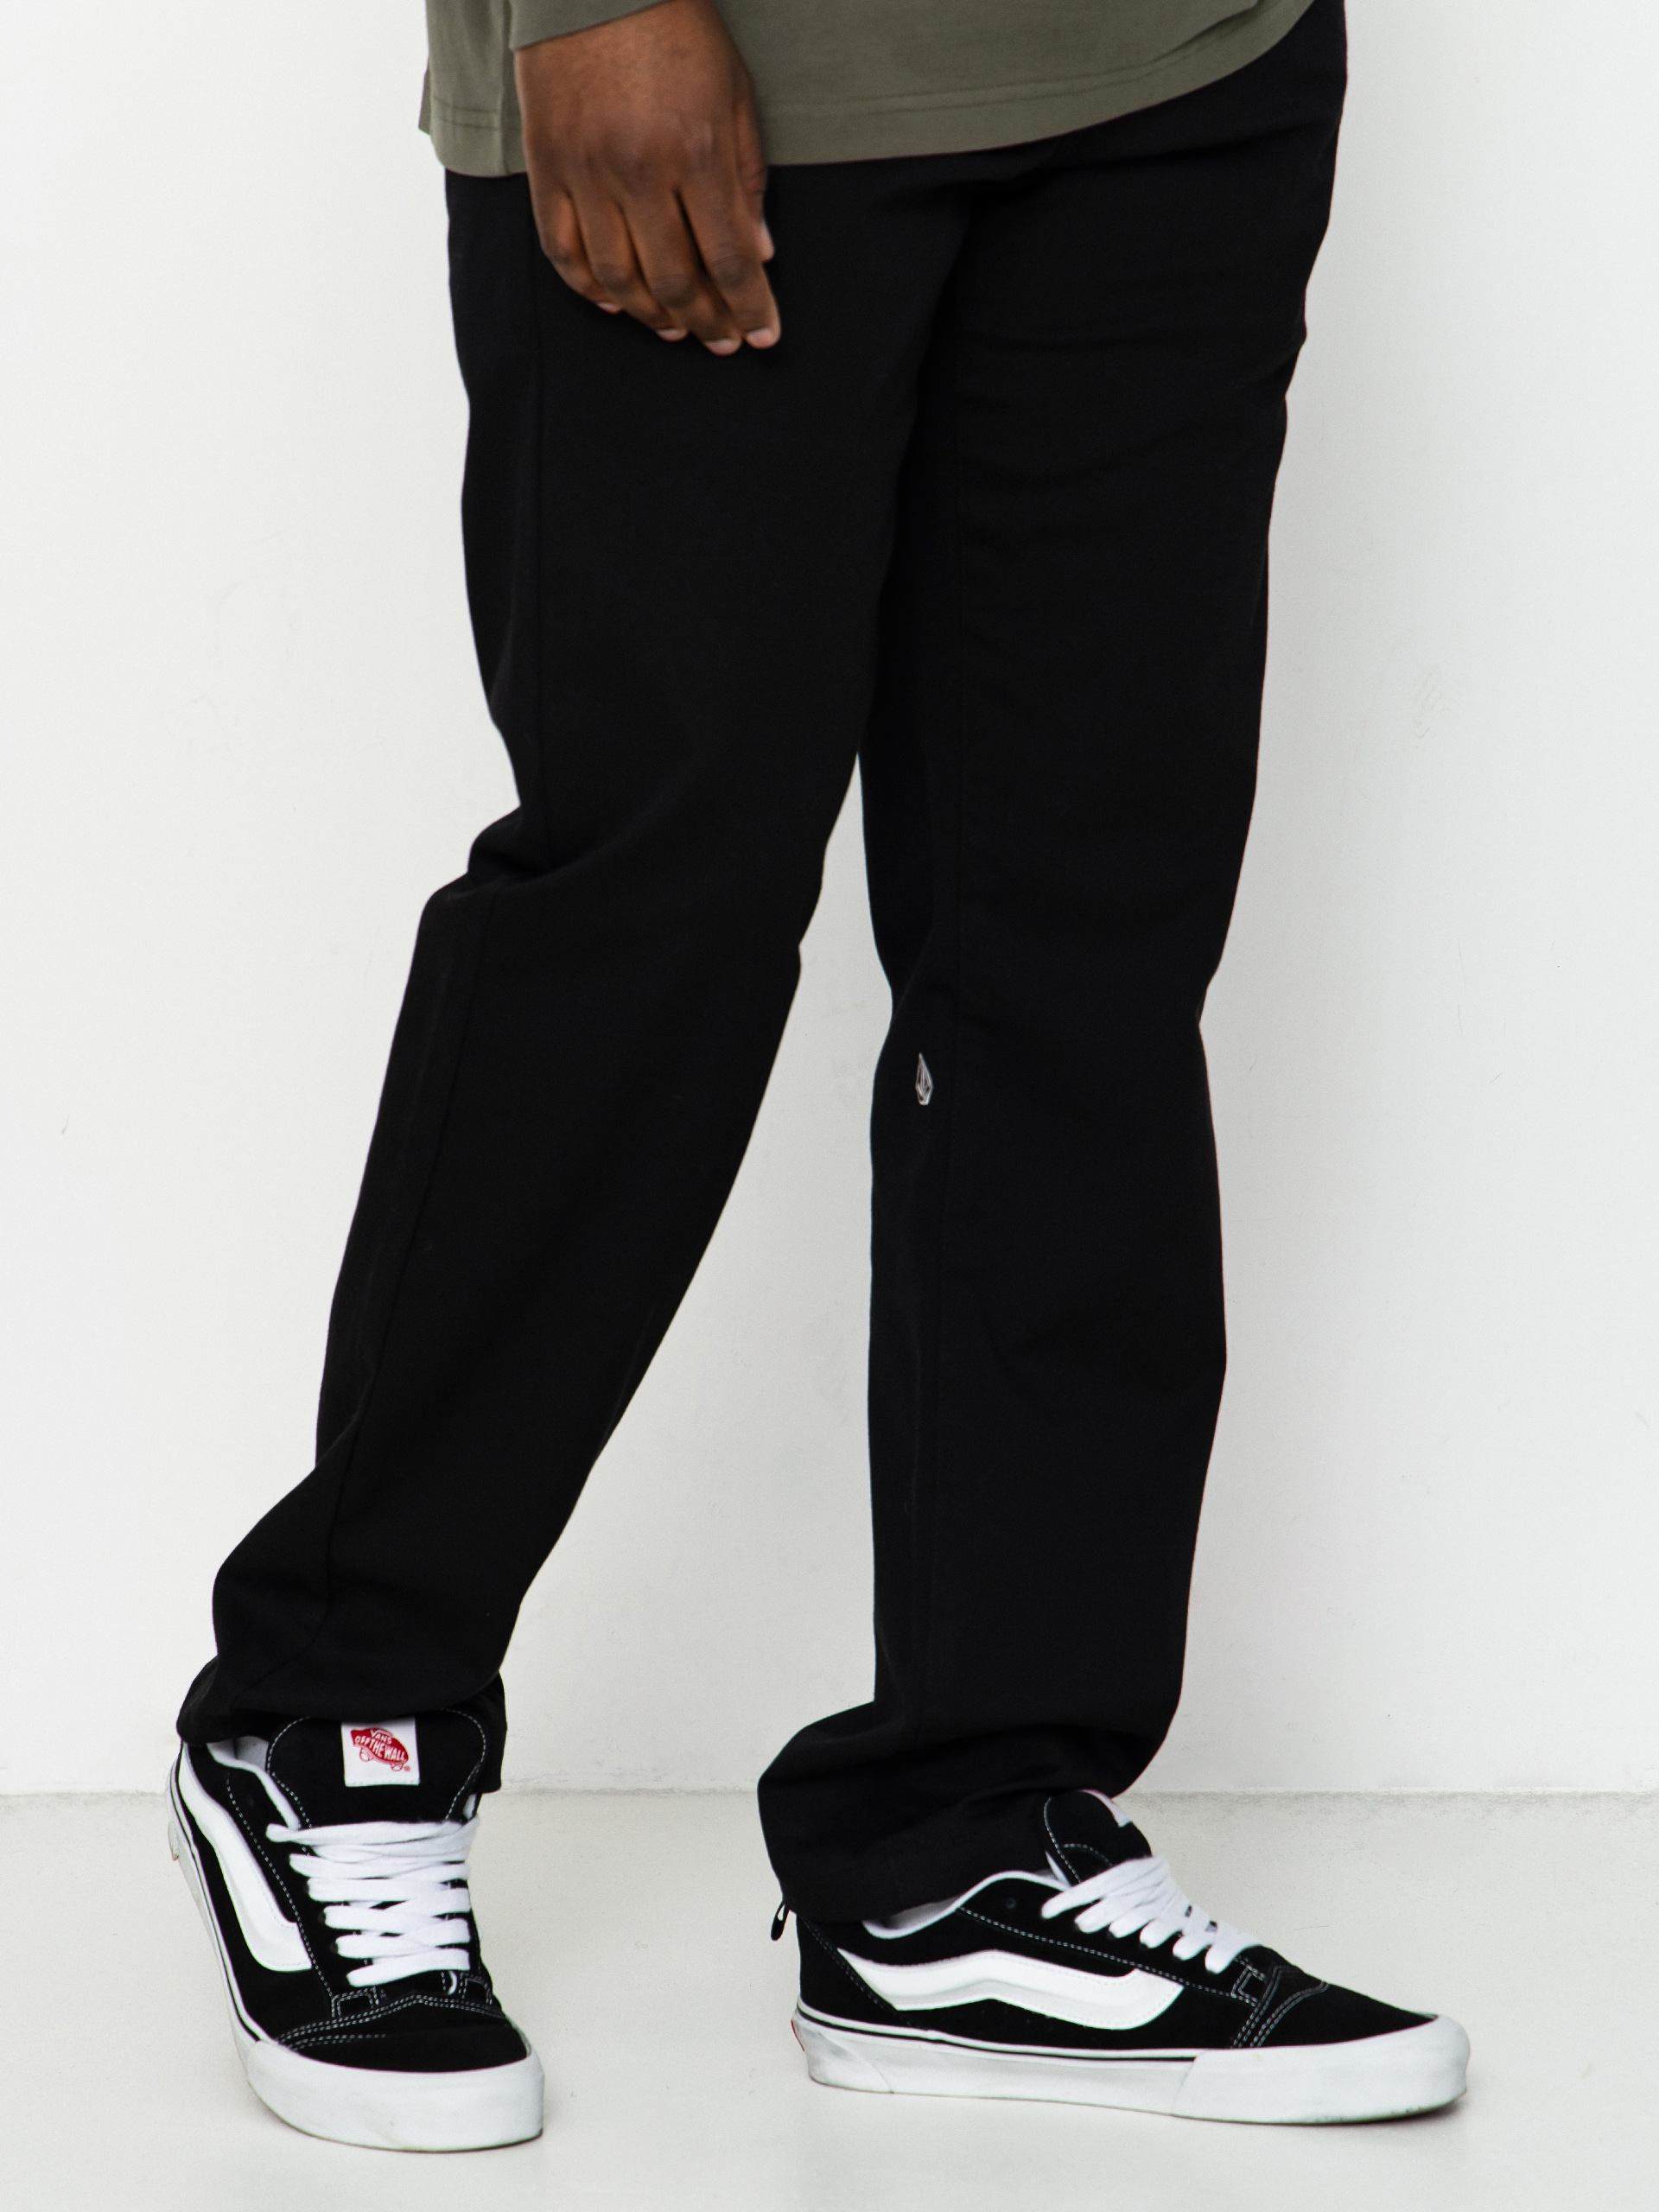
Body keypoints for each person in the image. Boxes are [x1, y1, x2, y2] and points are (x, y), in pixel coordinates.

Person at [166, 0, 1470, 2152]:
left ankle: (971, 1834)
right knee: (656, 903)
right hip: (743, 68)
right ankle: (336, 1706)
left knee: (1079, 943)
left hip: (1182, 71)